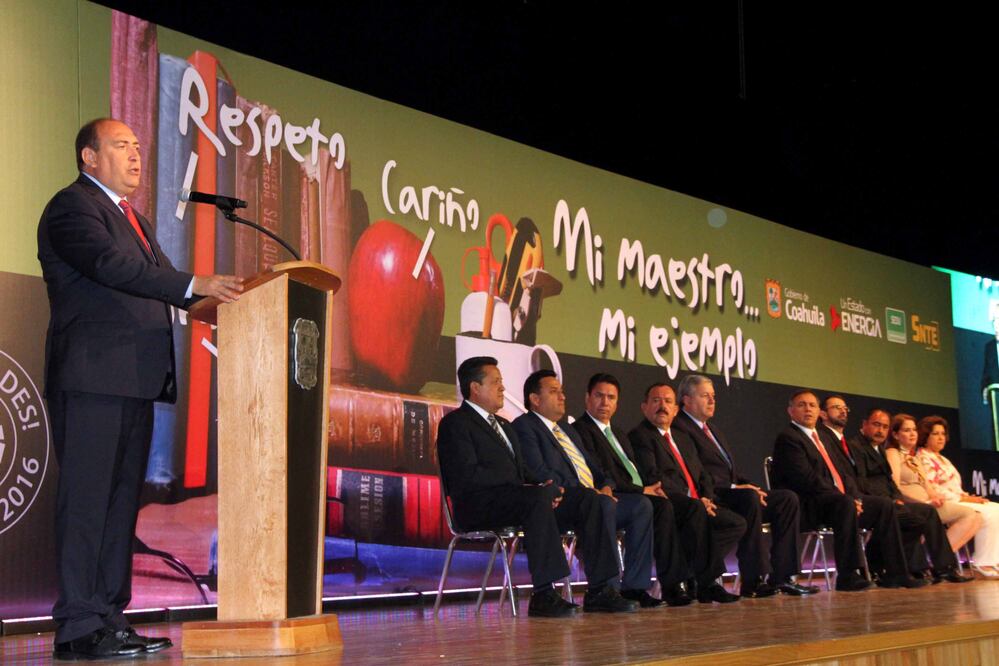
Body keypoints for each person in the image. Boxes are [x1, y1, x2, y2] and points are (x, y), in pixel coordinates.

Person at [37, 118, 243, 660]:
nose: (135, 155)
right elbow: (111, 267)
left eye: (137, 147)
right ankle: (78, 627)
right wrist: (195, 284)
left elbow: (171, 287)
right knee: (87, 504)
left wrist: (234, 302)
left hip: (134, 381)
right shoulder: (72, 207)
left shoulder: (137, 220)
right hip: (92, 378)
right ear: (89, 156)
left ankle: (109, 618)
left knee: (121, 505)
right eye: (121, 146)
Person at [436, 357, 637, 617]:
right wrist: (532, 490)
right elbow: (466, 476)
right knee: (536, 499)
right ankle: (543, 593)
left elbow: (524, 472)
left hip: (519, 501)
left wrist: (549, 487)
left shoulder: (505, 426)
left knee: (591, 500)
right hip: (479, 505)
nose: (502, 388)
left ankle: (601, 589)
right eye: (496, 382)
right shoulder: (455, 424)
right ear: (475, 388)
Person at [513, 370, 662, 608]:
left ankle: (634, 586)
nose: (562, 397)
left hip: (591, 499)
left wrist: (605, 486)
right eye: (554, 392)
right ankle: (604, 589)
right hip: (560, 503)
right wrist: (590, 493)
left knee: (641, 506)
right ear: (535, 399)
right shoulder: (524, 427)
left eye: (562, 392)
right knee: (600, 504)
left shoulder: (567, 429)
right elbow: (539, 472)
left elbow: (597, 468)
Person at [674, 374, 816, 597]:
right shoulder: (679, 429)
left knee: (786, 499)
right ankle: (753, 579)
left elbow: (732, 472)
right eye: (705, 396)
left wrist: (749, 485)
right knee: (748, 499)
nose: (712, 401)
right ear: (686, 400)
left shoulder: (713, 430)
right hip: (714, 495)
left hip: (733, 493)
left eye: (713, 396)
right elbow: (696, 472)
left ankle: (783, 576)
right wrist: (735, 489)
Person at [771, 390, 923, 591]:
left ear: (818, 412)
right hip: (811, 504)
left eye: (812, 405)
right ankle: (848, 575)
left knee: (883, 505)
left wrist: (856, 498)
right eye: (801, 405)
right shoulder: (789, 437)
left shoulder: (823, 438)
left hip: (837, 501)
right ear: (790, 411)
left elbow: (844, 475)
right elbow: (807, 479)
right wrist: (844, 498)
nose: (808, 409)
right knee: (844, 504)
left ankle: (896, 573)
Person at [570, 374, 694, 606]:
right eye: (599, 396)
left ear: (617, 403)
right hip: (607, 497)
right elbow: (601, 473)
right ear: (587, 398)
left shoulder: (618, 433)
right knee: (648, 505)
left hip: (634, 495)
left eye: (611, 397)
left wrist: (648, 489)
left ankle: (639, 586)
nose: (605, 403)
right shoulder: (580, 431)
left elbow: (633, 468)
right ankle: (618, 587)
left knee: (661, 506)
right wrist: (640, 490)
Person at [626, 382, 744, 604]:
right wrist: (694, 501)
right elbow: (653, 477)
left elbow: (703, 475)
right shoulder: (640, 436)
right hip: (669, 500)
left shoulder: (683, 437)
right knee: (693, 512)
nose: (662, 406)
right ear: (644, 407)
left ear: (676, 409)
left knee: (735, 523)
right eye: (656, 401)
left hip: (696, 503)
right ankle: (707, 583)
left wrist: (706, 497)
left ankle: (690, 572)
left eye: (668, 401)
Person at [833, 405, 970, 584]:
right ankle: (890, 568)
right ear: (864, 424)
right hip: (871, 502)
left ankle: (944, 568)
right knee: (906, 516)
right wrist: (891, 500)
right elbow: (861, 481)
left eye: (884, 427)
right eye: (876, 425)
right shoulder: (856, 447)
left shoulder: (879, 449)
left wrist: (897, 497)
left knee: (926, 512)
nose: (880, 430)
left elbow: (890, 482)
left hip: (889, 501)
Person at [885, 414, 981, 553]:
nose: (912, 434)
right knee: (969, 514)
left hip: (928, 505)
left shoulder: (913, 457)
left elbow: (928, 487)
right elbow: (895, 488)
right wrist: (923, 502)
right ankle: (938, 559)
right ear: (895, 434)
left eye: (914, 430)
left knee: (974, 515)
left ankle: (939, 558)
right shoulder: (893, 453)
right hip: (913, 505)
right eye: (907, 430)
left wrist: (936, 497)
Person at [918, 415, 999, 577]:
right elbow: (934, 488)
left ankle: (992, 559)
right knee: (990, 513)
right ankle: (982, 561)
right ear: (925, 436)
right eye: (935, 434)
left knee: (996, 507)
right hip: (941, 502)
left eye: (943, 433)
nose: (941, 437)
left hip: (957, 499)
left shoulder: (943, 459)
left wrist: (968, 497)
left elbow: (954, 487)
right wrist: (965, 499)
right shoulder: (923, 458)